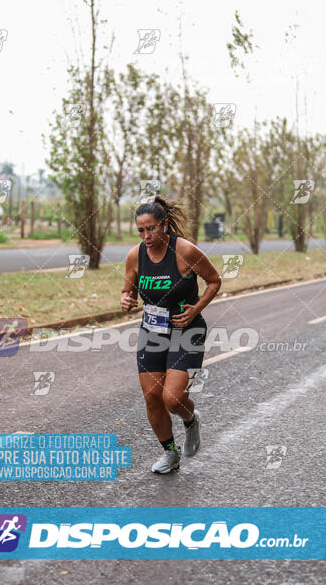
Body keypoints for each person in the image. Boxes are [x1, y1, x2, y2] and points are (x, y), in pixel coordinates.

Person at [120, 195, 221, 473]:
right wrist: (126, 300)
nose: (146, 235)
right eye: (140, 230)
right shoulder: (134, 255)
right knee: (152, 397)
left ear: (164, 224)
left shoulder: (185, 251)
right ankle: (170, 453)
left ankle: (190, 420)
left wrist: (195, 308)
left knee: (172, 398)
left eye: (151, 228)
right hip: (152, 332)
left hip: (185, 330)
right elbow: (127, 290)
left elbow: (214, 281)